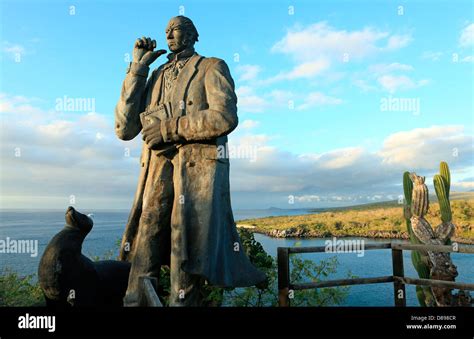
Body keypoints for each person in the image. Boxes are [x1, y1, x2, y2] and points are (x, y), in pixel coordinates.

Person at [115, 15, 266, 306]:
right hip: (155, 173)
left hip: (195, 177)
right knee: (146, 238)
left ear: (194, 35)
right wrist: (137, 69)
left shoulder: (211, 67)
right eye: (167, 31)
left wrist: (169, 128)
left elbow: (224, 117)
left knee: (186, 247)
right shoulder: (154, 75)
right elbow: (124, 129)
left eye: (177, 29)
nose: (170, 35)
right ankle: (135, 301)